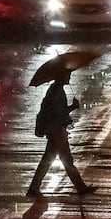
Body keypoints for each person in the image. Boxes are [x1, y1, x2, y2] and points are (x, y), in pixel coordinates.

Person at [27, 70, 97, 198]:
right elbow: (56, 112)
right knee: (67, 159)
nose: (69, 77)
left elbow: (58, 110)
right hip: (56, 130)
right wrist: (70, 108)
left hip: (54, 128)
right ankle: (81, 188)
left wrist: (71, 107)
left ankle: (33, 187)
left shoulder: (55, 90)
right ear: (61, 76)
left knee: (47, 159)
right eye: (67, 75)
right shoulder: (56, 92)